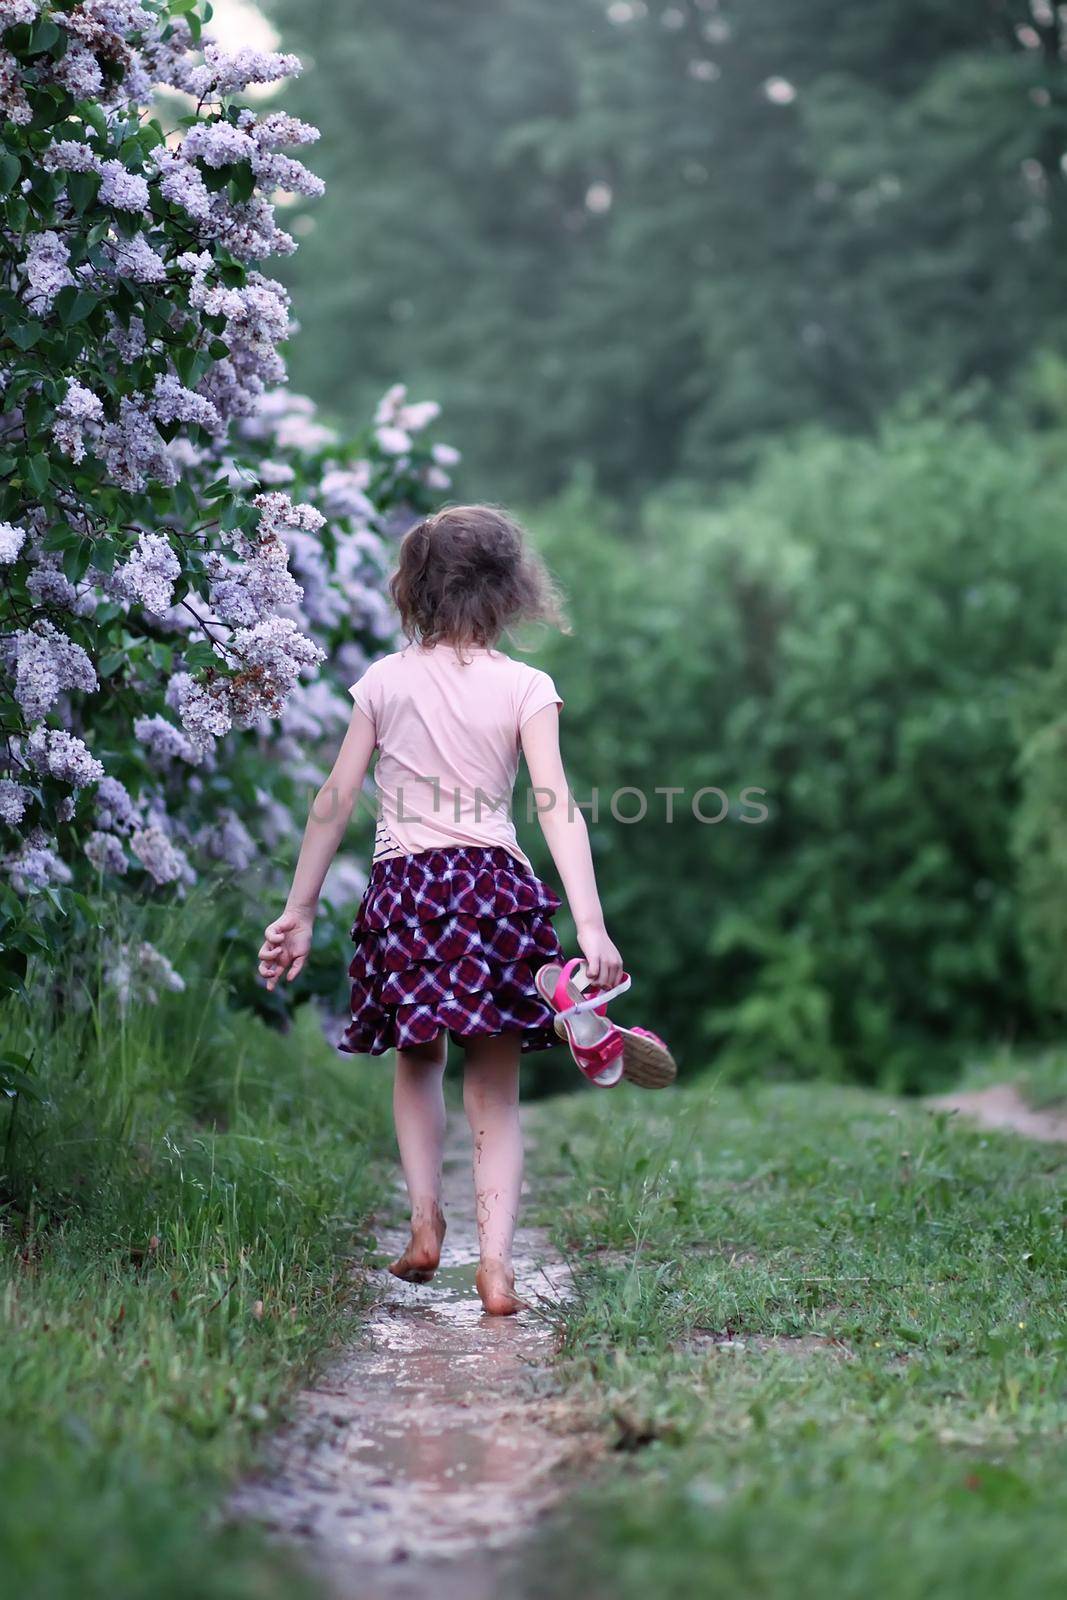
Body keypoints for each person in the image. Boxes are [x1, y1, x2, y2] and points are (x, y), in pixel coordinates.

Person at [258, 504, 623, 1316]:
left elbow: (334, 799)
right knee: (494, 1088)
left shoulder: (383, 682)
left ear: (411, 590)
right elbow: (556, 804)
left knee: (418, 1059)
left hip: (409, 892)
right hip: (495, 893)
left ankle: (425, 1222)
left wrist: (300, 908)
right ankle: (494, 1267)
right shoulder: (527, 686)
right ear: (510, 593)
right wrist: (590, 926)